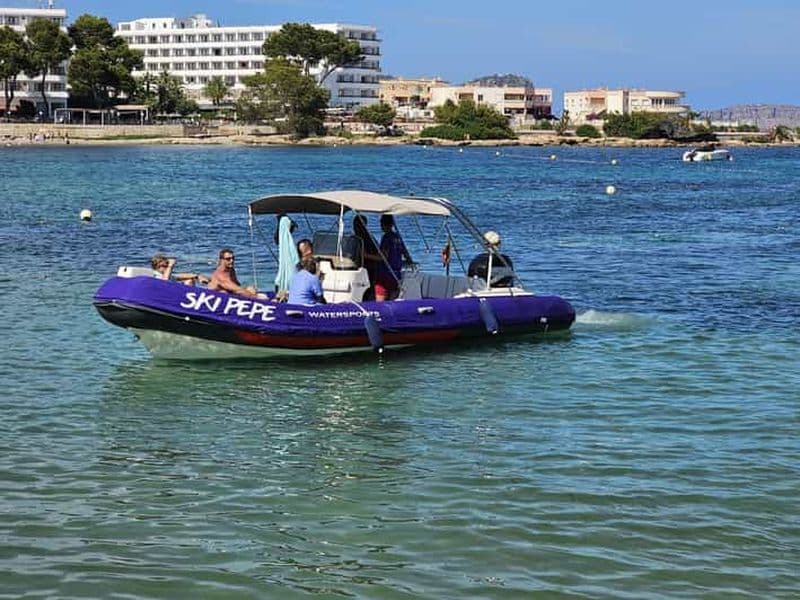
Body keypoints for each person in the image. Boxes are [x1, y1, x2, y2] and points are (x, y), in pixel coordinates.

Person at [374, 214, 413, 302]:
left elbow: (383, 257)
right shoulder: (397, 237)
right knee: (392, 300)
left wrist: (364, 255)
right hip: (396, 275)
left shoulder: (386, 237)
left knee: (380, 304)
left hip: (385, 275)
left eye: (381, 223)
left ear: (383, 224)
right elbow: (406, 255)